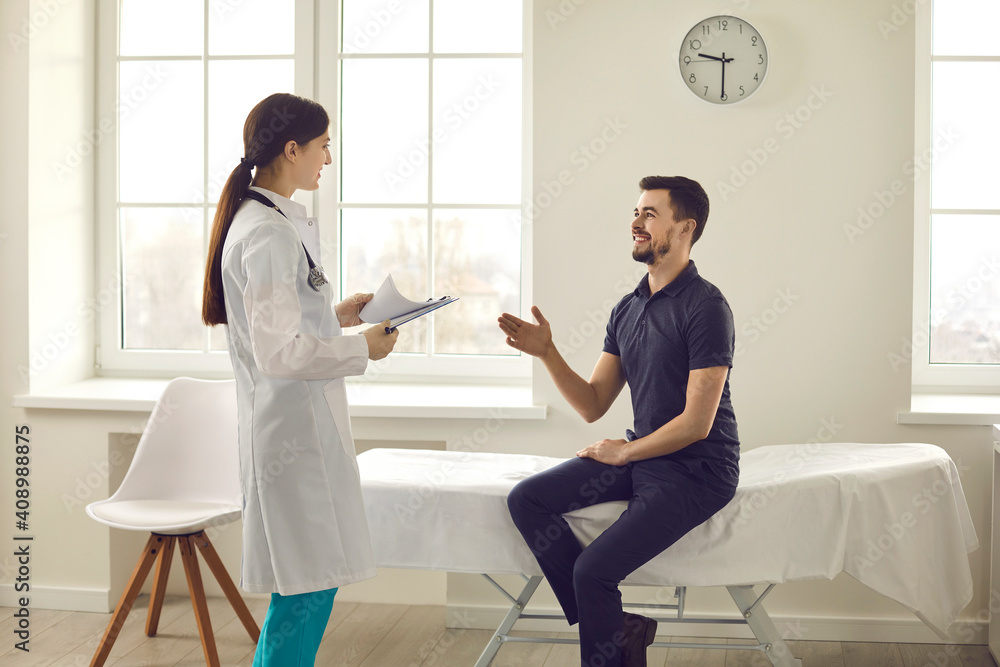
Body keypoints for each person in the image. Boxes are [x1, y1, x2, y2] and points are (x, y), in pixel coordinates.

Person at [498, 176, 740, 667]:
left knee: (593, 572)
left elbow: (697, 423)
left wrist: (626, 451)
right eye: (636, 212)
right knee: (528, 499)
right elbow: (592, 403)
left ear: (685, 227)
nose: (636, 222)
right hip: (647, 454)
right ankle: (620, 626)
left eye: (650, 214)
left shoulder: (707, 307)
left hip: (699, 469)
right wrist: (548, 353)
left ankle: (609, 631)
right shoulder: (627, 309)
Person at [201, 92, 399, 666]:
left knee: (307, 583)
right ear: (293, 149)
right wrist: (362, 349)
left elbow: (278, 325)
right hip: (289, 439)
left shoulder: (272, 222)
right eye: (323, 146)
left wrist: (338, 316)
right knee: (307, 584)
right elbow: (278, 352)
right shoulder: (266, 233)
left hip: (299, 431)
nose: (327, 160)